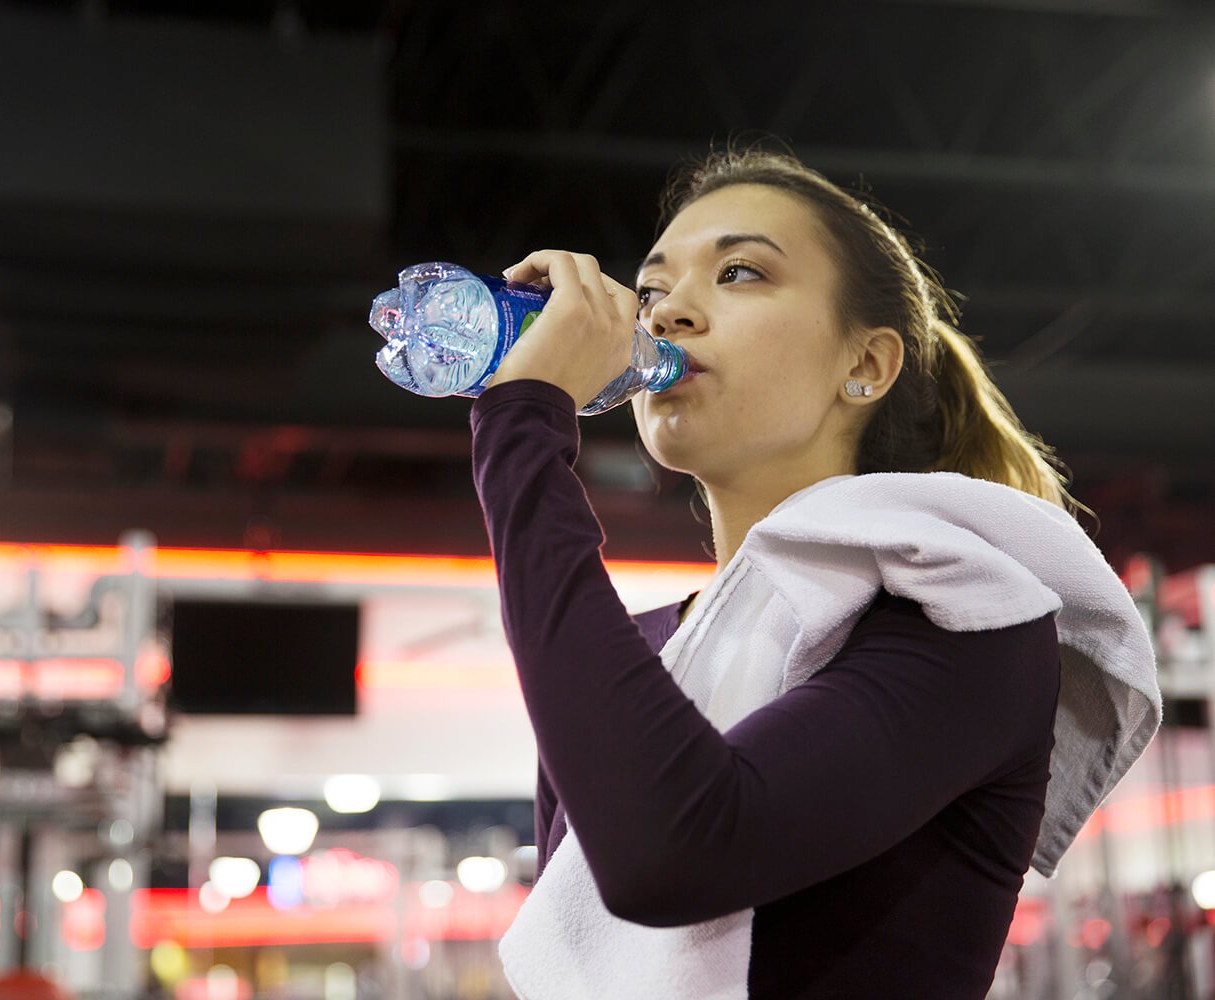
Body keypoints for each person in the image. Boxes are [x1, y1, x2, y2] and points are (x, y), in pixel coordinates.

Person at [467, 148, 1161, 999]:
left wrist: (521, 433)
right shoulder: (643, 653)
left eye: (740, 272)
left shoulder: (967, 613)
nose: (669, 312)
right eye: (650, 291)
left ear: (864, 365)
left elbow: (672, 852)